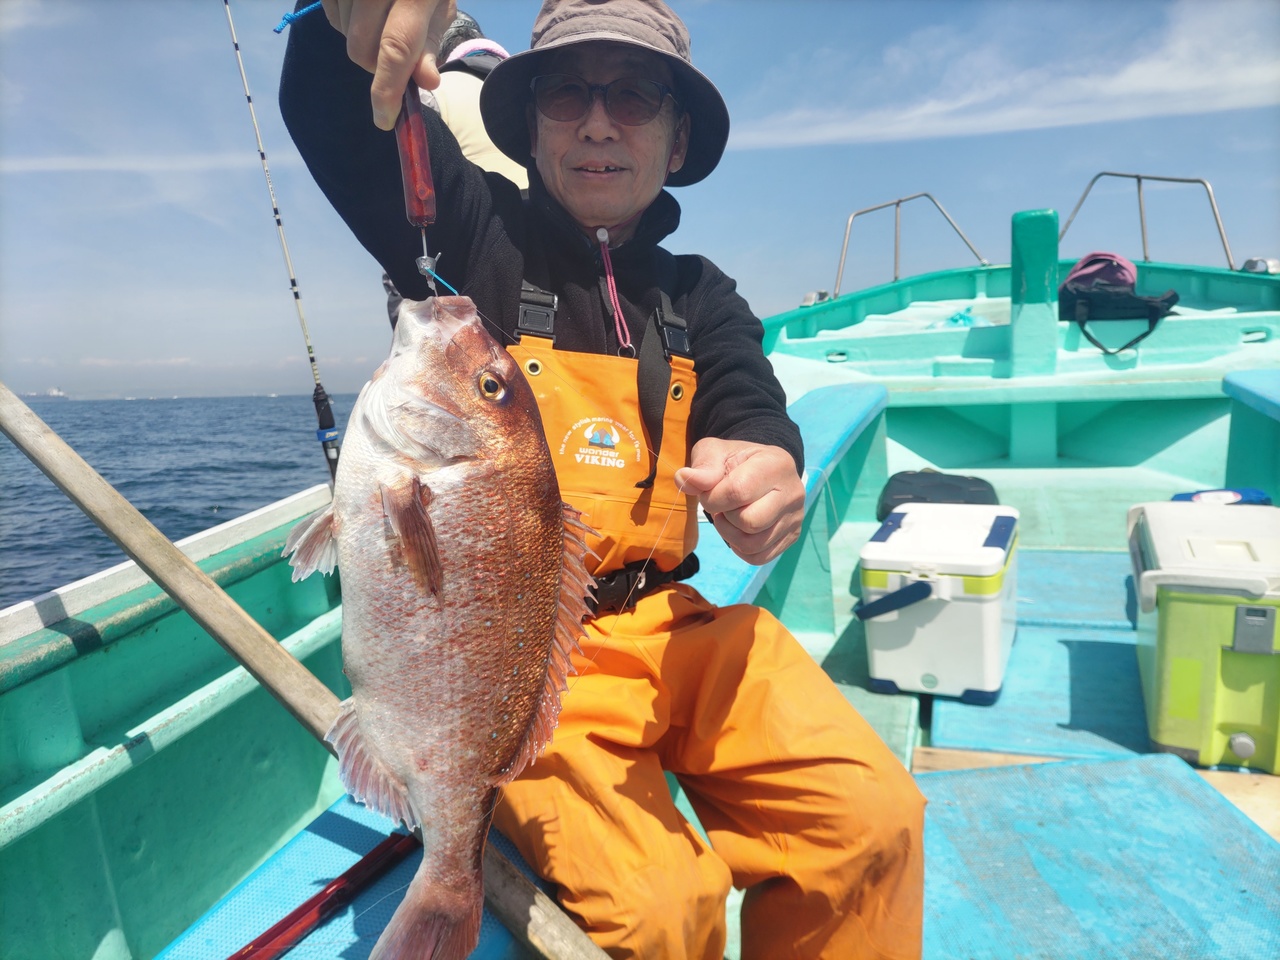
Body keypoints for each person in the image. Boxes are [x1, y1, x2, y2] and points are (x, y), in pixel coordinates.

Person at [281, 1, 925, 957]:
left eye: (632, 96)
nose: (595, 123)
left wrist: (766, 464)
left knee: (871, 822)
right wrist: (336, 20)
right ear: (530, 124)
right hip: (536, 657)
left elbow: (747, 395)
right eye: (566, 95)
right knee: (660, 912)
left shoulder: (701, 293)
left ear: (677, 139)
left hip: (681, 625)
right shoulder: (475, 237)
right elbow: (339, 121)